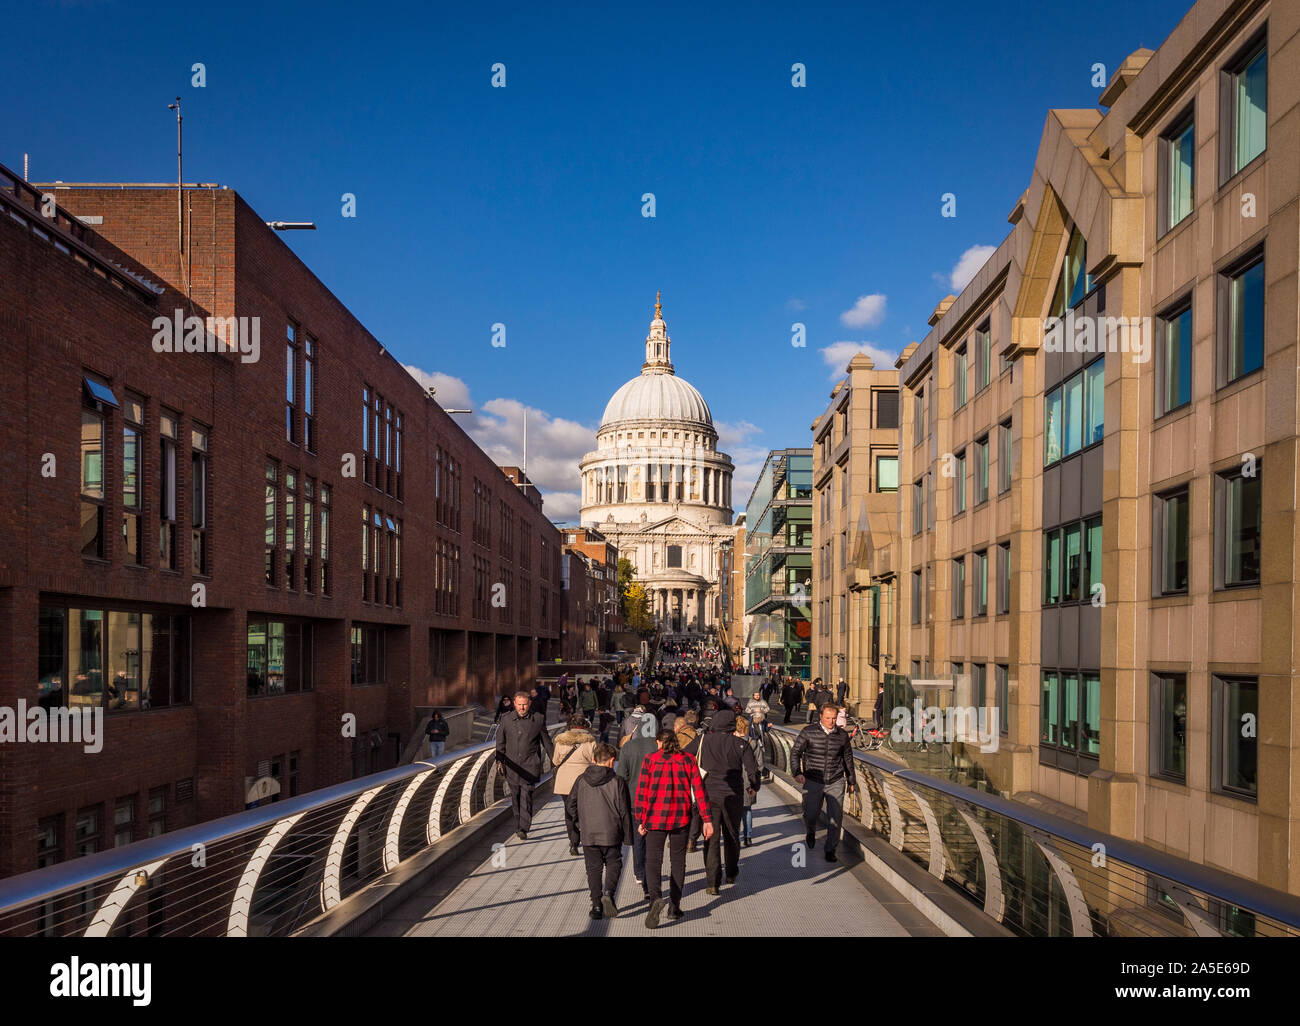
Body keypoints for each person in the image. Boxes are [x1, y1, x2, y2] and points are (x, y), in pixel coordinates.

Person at [634, 729, 714, 928]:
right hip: (680, 817)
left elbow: (642, 791)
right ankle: (674, 907)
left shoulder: (650, 760)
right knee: (678, 861)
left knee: (653, 861)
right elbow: (699, 791)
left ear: (659, 742)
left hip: (655, 817)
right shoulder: (688, 760)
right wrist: (707, 819)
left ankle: (655, 899)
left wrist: (641, 819)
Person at [698, 708, 760, 893]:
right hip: (733, 795)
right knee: (732, 835)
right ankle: (731, 872)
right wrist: (753, 786)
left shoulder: (704, 740)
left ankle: (712, 882)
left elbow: (683, 754)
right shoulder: (741, 744)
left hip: (709, 795)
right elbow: (753, 770)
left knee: (711, 837)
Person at [574, 742, 634, 920]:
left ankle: (596, 906)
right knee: (614, 863)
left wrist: (577, 825)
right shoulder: (617, 781)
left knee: (593, 869)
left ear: (593, 760)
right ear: (612, 761)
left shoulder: (581, 780)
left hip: (588, 833)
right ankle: (609, 892)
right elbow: (624, 810)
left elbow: (570, 805)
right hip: (611, 832)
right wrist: (628, 837)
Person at [791, 702, 856, 862]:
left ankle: (830, 850)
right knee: (811, 813)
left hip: (836, 780)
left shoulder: (842, 736)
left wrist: (851, 779)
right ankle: (811, 830)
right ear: (820, 716)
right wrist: (797, 772)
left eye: (834, 718)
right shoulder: (808, 732)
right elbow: (795, 753)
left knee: (836, 817)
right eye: (828, 718)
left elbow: (847, 757)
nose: (831, 721)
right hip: (813, 780)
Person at [494, 690, 555, 839]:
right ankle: (518, 823)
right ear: (514, 704)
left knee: (526, 796)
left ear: (529, 704)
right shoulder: (506, 719)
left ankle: (524, 827)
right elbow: (500, 743)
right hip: (512, 766)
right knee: (515, 796)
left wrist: (555, 760)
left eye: (524, 705)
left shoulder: (538, 719)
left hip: (530, 765)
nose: (522, 708)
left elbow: (546, 742)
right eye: (519, 705)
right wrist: (499, 761)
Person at [616, 711, 658, 896]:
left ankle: (639, 872)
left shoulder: (629, 747)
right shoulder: (659, 747)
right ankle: (651, 873)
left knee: (638, 839)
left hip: (634, 801)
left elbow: (621, 776)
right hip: (656, 801)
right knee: (654, 840)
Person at [552, 715, 598, 856]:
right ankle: (586, 837)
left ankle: (573, 842)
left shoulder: (561, 741)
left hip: (564, 781)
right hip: (584, 780)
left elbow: (555, 761)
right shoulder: (591, 741)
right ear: (584, 725)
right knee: (585, 810)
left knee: (569, 810)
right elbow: (595, 761)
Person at [734, 714, 764, 846]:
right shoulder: (753, 742)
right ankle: (748, 837)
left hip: (733, 779)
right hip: (748, 779)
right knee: (747, 810)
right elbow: (760, 764)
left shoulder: (730, 741)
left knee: (733, 810)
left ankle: (734, 836)